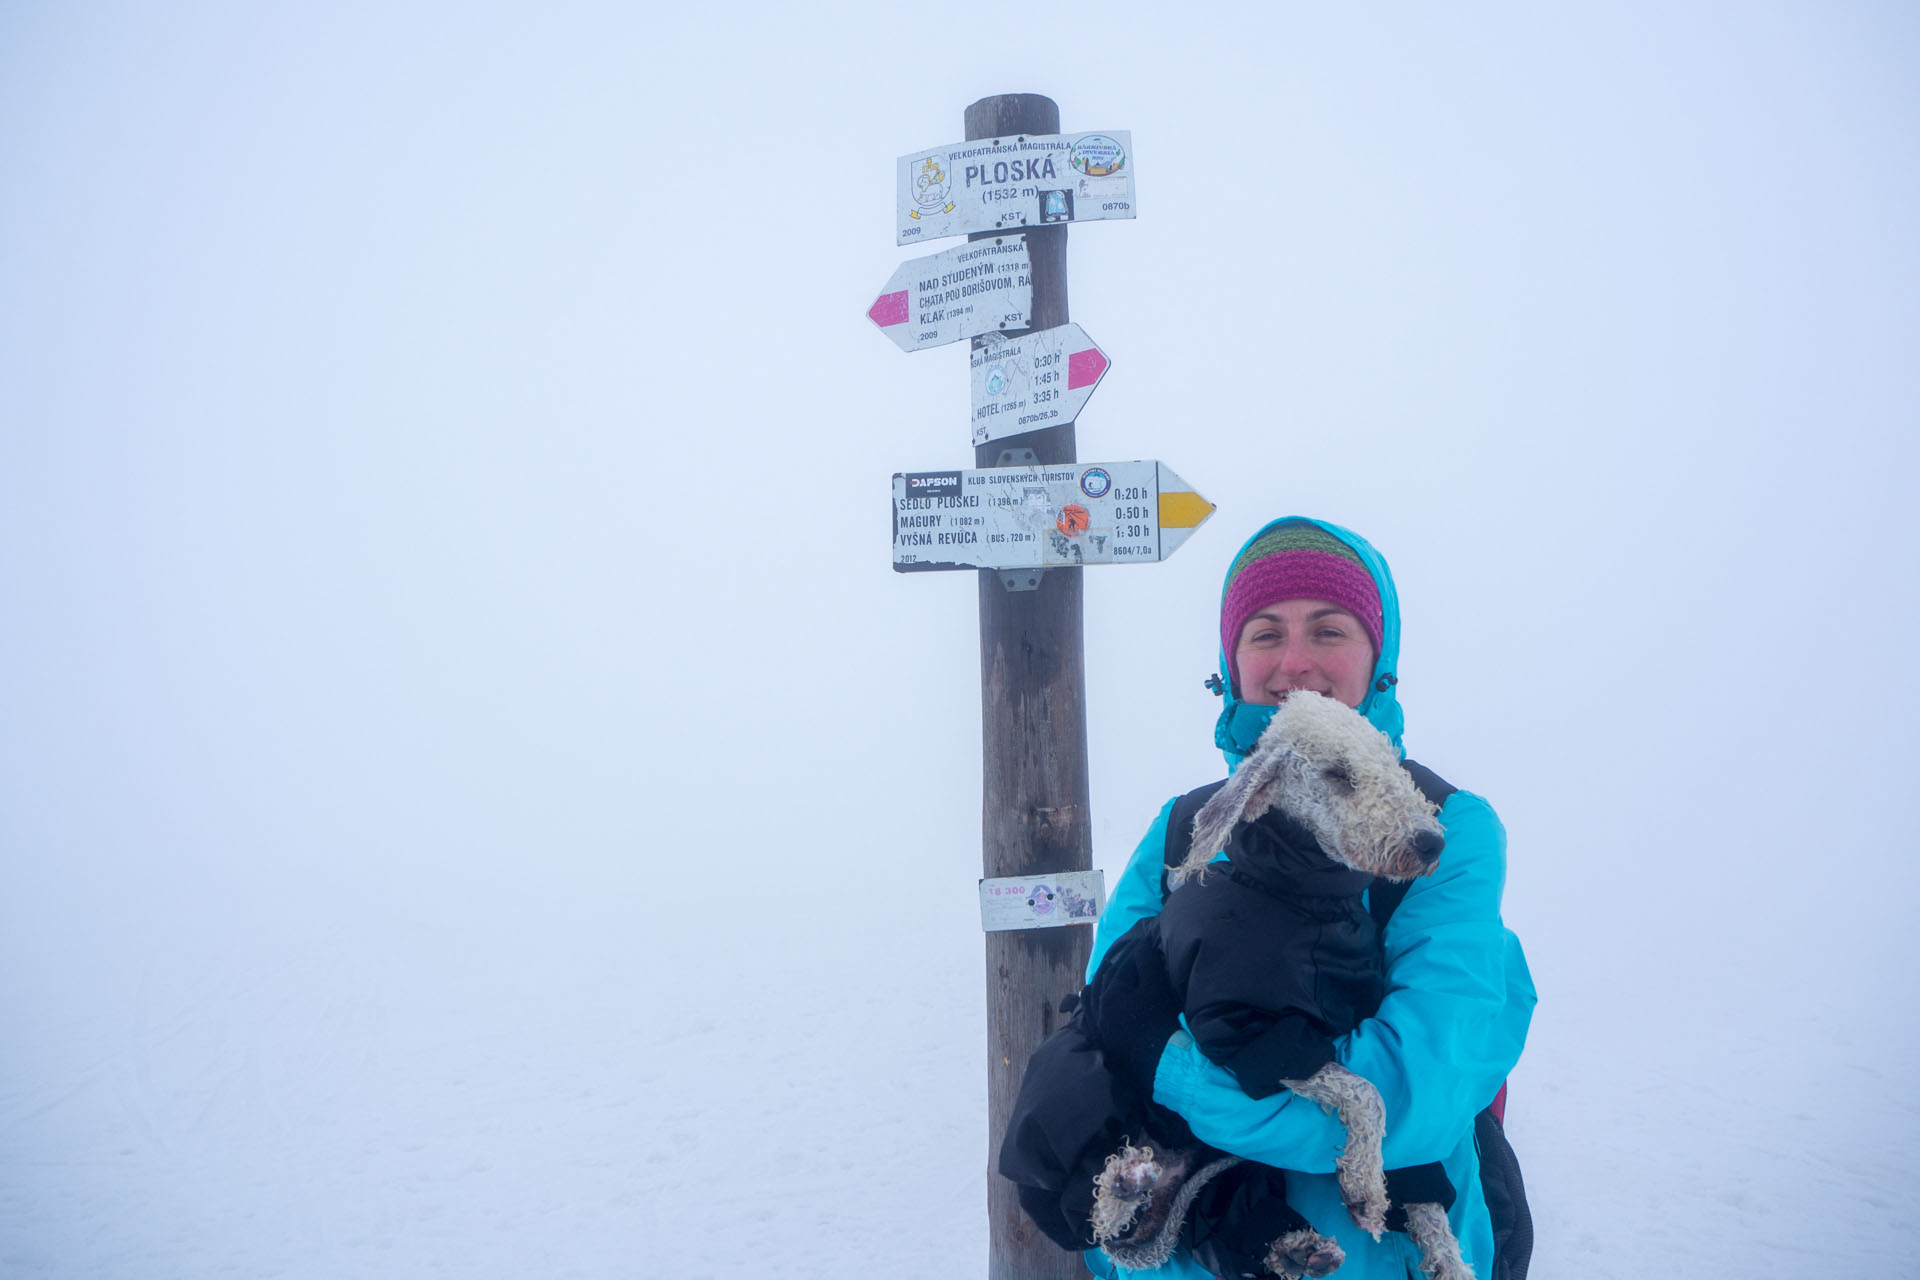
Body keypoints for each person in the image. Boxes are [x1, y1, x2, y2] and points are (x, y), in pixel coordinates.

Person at [1081, 516, 1537, 1279]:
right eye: (1264, 633)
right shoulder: (1184, 826)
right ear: (1230, 663)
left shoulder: (1445, 829)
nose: (1294, 661)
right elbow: (1101, 1065)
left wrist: (1171, 1066)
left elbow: (1415, 1095)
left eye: (1328, 630)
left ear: (1378, 657)